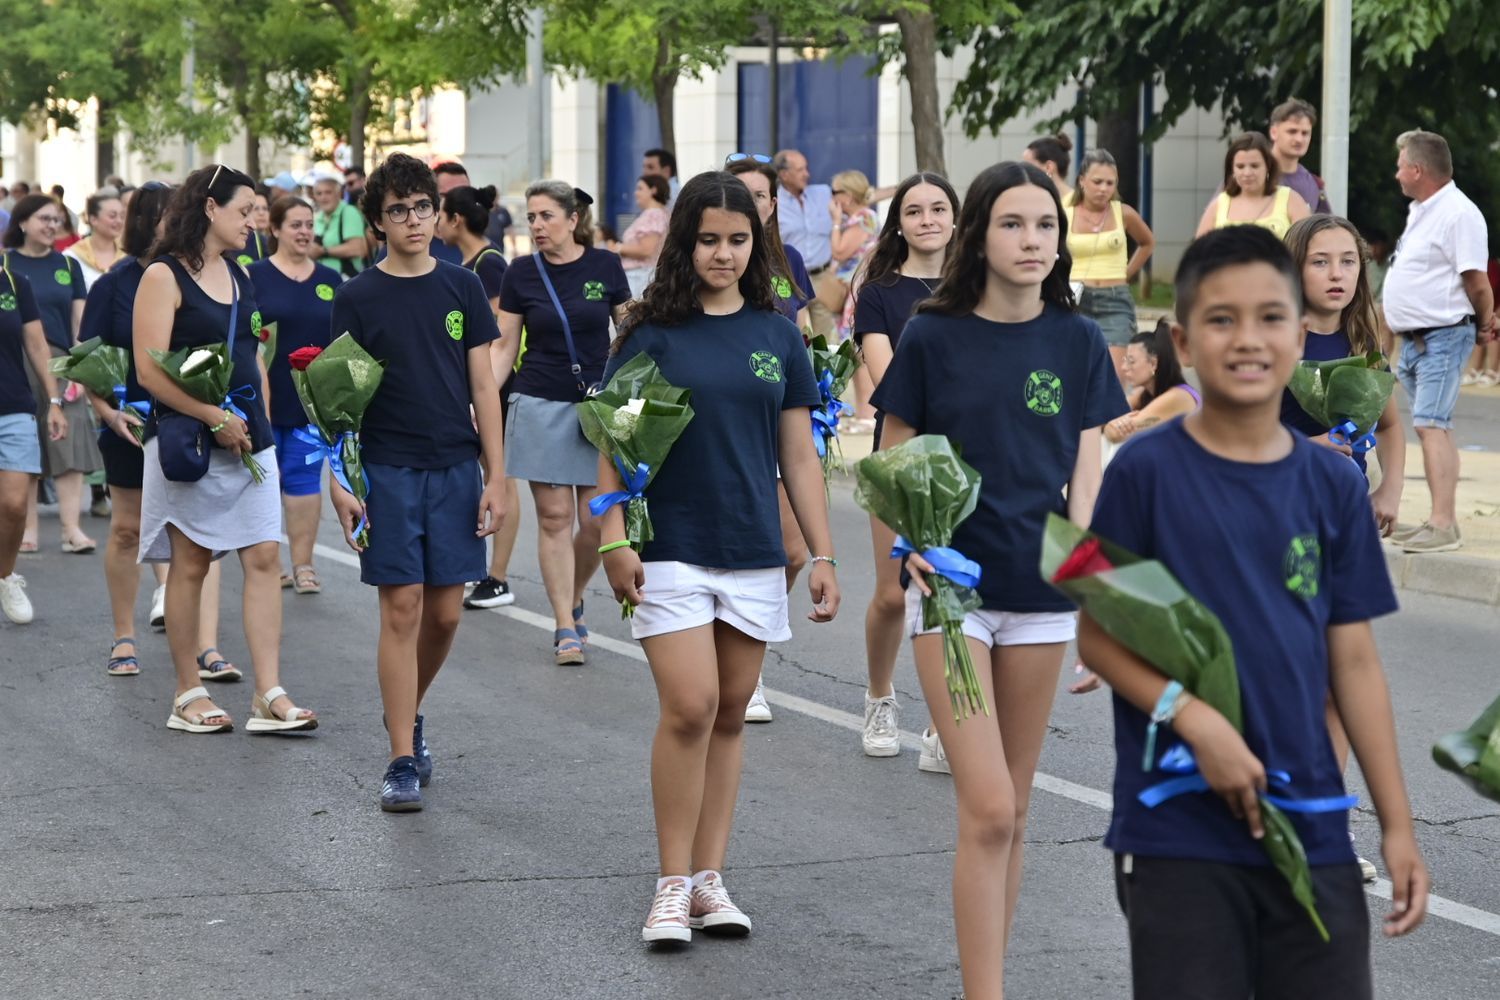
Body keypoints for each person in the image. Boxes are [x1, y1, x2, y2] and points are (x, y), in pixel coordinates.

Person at [1081, 226, 1428, 998]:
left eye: (1271, 317)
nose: (1248, 339)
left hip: (1311, 823)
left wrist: (1396, 823)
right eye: (1221, 319)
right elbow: (1098, 634)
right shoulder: (1140, 469)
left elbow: (1355, 662)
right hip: (1175, 832)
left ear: (1299, 332)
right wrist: (1197, 722)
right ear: (1182, 338)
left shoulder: (1334, 486)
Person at [871, 161, 1127, 998]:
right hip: (954, 595)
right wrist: (908, 547)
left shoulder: (1078, 340)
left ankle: (992, 980)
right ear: (980, 235)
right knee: (986, 806)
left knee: (1012, 813)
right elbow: (892, 454)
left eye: (1046, 227)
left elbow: (1087, 490)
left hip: (1044, 598)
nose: (1033, 241)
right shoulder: (930, 334)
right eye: (1014, 224)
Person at [597, 171, 838, 945]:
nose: (724, 254)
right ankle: (670, 885)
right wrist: (612, 537)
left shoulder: (778, 334)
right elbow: (612, 434)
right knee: (692, 705)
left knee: (731, 715)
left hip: (753, 549)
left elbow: (799, 457)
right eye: (708, 240)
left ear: (756, 244)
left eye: (738, 241)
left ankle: (709, 879)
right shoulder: (649, 332)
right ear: (685, 244)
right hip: (668, 544)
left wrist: (823, 552)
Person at [328, 152, 507, 810]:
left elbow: (483, 385)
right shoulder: (356, 296)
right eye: (398, 210)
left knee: (446, 611)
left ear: (439, 211)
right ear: (377, 220)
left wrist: (499, 474)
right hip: (386, 468)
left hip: (457, 467)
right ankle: (401, 754)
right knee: (401, 608)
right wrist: (340, 478)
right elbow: (341, 395)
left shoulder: (460, 286)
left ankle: (406, 710)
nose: (413, 219)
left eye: (423, 206)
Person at [133, 163, 316, 735]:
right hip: (192, 441)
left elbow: (252, 354)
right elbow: (148, 371)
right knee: (191, 563)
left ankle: (269, 694)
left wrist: (254, 415)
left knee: (264, 558)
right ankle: (188, 693)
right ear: (210, 209)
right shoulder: (163, 277)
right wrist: (213, 416)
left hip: (250, 439)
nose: (254, 221)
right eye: (244, 211)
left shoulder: (242, 275)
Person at [1282, 213, 1405, 882]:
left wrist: (1390, 490)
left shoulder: (1363, 340)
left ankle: (1325, 827)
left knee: (1337, 689)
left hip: (1343, 531)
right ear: (1295, 268)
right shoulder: (1274, 335)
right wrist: (1309, 447)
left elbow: (1390, 422)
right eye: (1322, 262)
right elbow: (1232, 433)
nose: (1337, 274)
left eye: (1348, 263)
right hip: (1277, 529)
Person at [82, 182, 232, 677]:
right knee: (126, 530)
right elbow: (88, 361)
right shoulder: (115, 283)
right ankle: (124, 637)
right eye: (174, 213)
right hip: (132, 421)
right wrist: (108, 413)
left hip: (191, 421)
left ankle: (206, 648)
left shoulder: (207, 275)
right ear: (149, 221)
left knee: (201, 536)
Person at [492, 181, 630, 665]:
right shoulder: (520, 273)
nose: (536, 226)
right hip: (540, 402)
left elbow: (627, 332)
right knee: (555, 518)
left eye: (546, 216)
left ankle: (573, 593)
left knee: (596, 520)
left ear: (574, 220)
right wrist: (482, 399)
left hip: (597, 409)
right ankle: (564, 625)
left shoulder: (605, 265)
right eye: (531, 217)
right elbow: (506, 345)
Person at [848, 171, 959, 757]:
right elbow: (890, 380)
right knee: (895, 594)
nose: (927, 220)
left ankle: (943, 723)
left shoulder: (979, 287)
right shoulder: (879, 292)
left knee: (947, 584)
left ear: (956, 218)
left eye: (938, 208)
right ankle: (879, 696)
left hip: (963, 458)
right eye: (914, 211)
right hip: (898, 453)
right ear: (899, 223)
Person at [1383, 129, 1494, 553]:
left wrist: (1484, 324)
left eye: (1400, 166)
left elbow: (1477, 282)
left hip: (1443, 336)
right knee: (1433, 427)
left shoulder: (1458, 213)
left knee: (1432, 425)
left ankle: (1443, 524)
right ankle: (1439, 521)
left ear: (1417, 168)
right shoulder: (1422, 210)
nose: (1396, 174)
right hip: (1419, 340)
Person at [434, 184, 522, 612]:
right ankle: (486, 571)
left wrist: (479, 389)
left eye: (439, 213)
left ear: (456, 220)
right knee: (488, 473)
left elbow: (498, 336)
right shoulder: (465, 264)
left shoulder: (489, 265)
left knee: (499, 476)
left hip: (493, 383)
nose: (433, 222)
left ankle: (499, 575)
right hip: (470, 384)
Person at [249, 196, 342, 595]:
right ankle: (269, 562)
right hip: (265, 399)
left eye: (309, 225)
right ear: (275, 230)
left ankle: (303, 564)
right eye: (296, 225)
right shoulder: (253, 277)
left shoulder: (331, 280)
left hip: (311, 406)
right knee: (266, 484)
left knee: (304, 482)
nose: (305, 232)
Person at [2, 194, 100, 554]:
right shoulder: (7, 266)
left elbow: (80, 325)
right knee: (25, 444)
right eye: (43, 218)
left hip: (59, 360)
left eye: (56, 219)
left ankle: (71, 528)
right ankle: (27, 529)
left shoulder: (69, 266)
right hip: (14, 361)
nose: (51, 225)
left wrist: (78, 371)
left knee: (68, 438)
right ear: (23, 222)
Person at [0, 258, 68, 623]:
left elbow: (37, 345)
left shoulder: (14, 281)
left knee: (13, 506)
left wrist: (54, 401)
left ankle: (5, 575)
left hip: (12, 406)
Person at [1067, 148, 1155, 380]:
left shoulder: (1123, 213)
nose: (1104, 188)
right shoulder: (1064, 213)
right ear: (1082, 180)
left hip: (1115, 299)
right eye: (1097, 182)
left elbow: (1147, 243)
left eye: (1110, 182)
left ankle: (1111, 416)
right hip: (1076, 299)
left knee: (1114, 377)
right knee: (1077, 375)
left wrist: (1125, 274)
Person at [724, 155, 812, 330]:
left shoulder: (790, 258)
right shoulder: (715, 258)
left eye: (759, 195)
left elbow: (804, 333)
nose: (749, 203)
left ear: (772, 205)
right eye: (741, 194)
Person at [1195, 132, 1310, 239]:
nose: (1247, 173)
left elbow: (1308, 246)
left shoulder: (1291, 200)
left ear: (1268, 166)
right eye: (1240, 167)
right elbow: (1199, 252)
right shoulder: (1219, 204)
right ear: (1232, 170)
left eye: (1254, 166)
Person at [1103, 323, 1200, 447]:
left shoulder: (1178, 397)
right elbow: (1103, 418)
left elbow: (1115, 434)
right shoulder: (1144, 394)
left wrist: (1112, 425)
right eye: (1125, 361)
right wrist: (1112, 423)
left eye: (1131, 361)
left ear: (1153, 364)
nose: (1124, 368)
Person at [774, 149, 837, 338]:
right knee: (796, 335)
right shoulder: (774, 203)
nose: (807, 174)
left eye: (806, 168)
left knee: (825, 340)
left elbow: (860, 198)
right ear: (784, 174)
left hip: (821, 276)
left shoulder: (823, 194)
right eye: (801, 170)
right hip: (790, 278)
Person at [610, 175, 670, 299]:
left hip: (639, 277)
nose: (636, 193)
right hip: (641, 276)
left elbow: (647, 250)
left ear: (653, 190)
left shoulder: (654, 215)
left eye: (640, 188)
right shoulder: (659, 213)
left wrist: (618, 248)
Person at [1268, 98, 1332, 215]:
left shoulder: (1314, 184)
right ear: (1274, 132)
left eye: (1305, 133)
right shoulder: (1248, 175)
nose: (1299, 139)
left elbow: (1326, 230)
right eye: (1292, 131)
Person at [311, 172, 368, 278]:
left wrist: (323, 251)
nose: (323, 197)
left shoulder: (349, 212)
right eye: (319, 193)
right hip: (321, 279)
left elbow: (358, 249)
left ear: (338, 194)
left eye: (328, 192)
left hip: (345, 281)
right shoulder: (318, 217)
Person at [64, 189, 126, 287]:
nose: (119, 221)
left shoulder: (127, 255)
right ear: (93, 219)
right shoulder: (72, 256)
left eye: (122, 216)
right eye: (112, 216)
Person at [1022, 134, 1074, 205]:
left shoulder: (1078, 205)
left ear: (1048, 167)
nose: (1023, 171)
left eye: (1028, 166)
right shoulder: (1034, 202)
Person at [236, 187, 272, 266]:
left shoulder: (272, 241)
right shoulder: (238, 241)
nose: (261, 213)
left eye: (265, 208)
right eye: (256, 209)